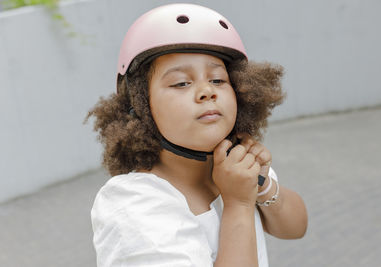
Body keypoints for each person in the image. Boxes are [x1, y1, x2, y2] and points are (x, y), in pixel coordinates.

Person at [86, 3, 307, 267]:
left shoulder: (234, 165)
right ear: (141, 108)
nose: (207, 91)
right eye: (181, 82)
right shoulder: (134, 206)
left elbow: (296, 228)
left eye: (218, 80)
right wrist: (238, 205)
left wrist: (261, 185)